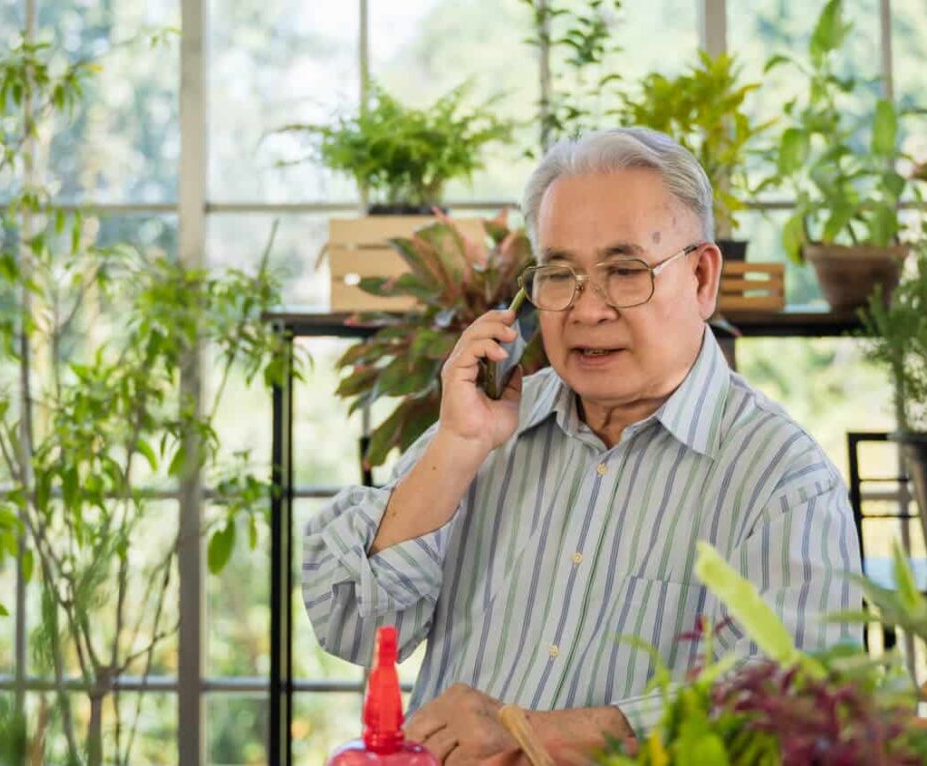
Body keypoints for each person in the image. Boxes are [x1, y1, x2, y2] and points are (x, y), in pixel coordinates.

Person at [302, 127, 861, 764]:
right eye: (560, 275)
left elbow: (793, 717)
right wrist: (457, 446)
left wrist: (530, 732)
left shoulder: (784, 484)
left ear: (703, 278)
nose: (586, 310)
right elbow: (345, 620)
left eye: (625, 273)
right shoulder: (486, 434)